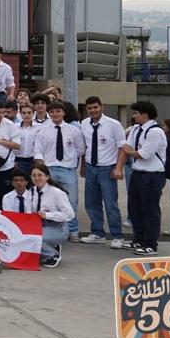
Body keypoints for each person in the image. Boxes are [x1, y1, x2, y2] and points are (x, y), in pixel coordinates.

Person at [117, 101, 168, 256]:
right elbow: (128, 146)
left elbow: (144, 154)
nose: (133, 116)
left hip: (152, 175)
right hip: (137, 172)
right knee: (134, 208)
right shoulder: (136, 129)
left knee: (150, 210)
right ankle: (138, 239)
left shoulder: (155, 132)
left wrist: (129, 150)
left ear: (145, 115)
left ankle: (151, 244)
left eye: (136, 113)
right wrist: (129, 150)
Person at [78, 96, 126, 248]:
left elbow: (122, 148)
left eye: (95, 107)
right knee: (91, 203)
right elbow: (85, 147)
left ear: (101, 107)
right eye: (90, 108)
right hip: (90, 167)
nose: (93, 110)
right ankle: (97, 233)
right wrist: (83, 166)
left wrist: (118, 168)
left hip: (107, 169)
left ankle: (117, 235)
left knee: (110, 204)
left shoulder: (113, 125)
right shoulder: (84, 124)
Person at [33, 101, 83, 242]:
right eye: (52, 112)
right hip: (49, 169)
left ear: (63, 112)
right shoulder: (43, 131)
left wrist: (70, 160)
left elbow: (80, 149)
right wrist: (43, 169)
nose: (55, 114)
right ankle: (52, 229)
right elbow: (38, 151)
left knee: (71, 201)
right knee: (49, 200)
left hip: (68, 170)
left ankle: (73, 230)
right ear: (49, 114)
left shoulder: (74, 131)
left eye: (58, 111)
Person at [31, 163, 75, 268]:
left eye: (40, 175)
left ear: (47, 177)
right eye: (34, 175)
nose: (37, 178)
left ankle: (52, 254)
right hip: (40, 226)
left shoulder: (57, 193)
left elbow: (70, 215)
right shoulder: (32, 191)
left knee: (35, 238)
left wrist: (48, 215)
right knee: (25, 236)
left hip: (58, 228)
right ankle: (50, 246)